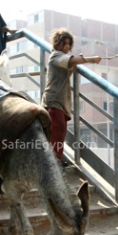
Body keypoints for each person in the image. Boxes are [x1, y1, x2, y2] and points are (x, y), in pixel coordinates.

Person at [41, 28, 102, 163]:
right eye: (65, 43)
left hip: (60, 103)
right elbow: (70, 61)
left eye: (69, 44)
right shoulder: (56, 55)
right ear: (57, 44)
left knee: (60, 133)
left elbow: (69, 65)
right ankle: (54, 163)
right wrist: (91, 59)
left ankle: (56, 161)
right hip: (53, 102)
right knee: (57, 132)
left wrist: (74, 63)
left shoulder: (61, 58)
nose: (67, 47)